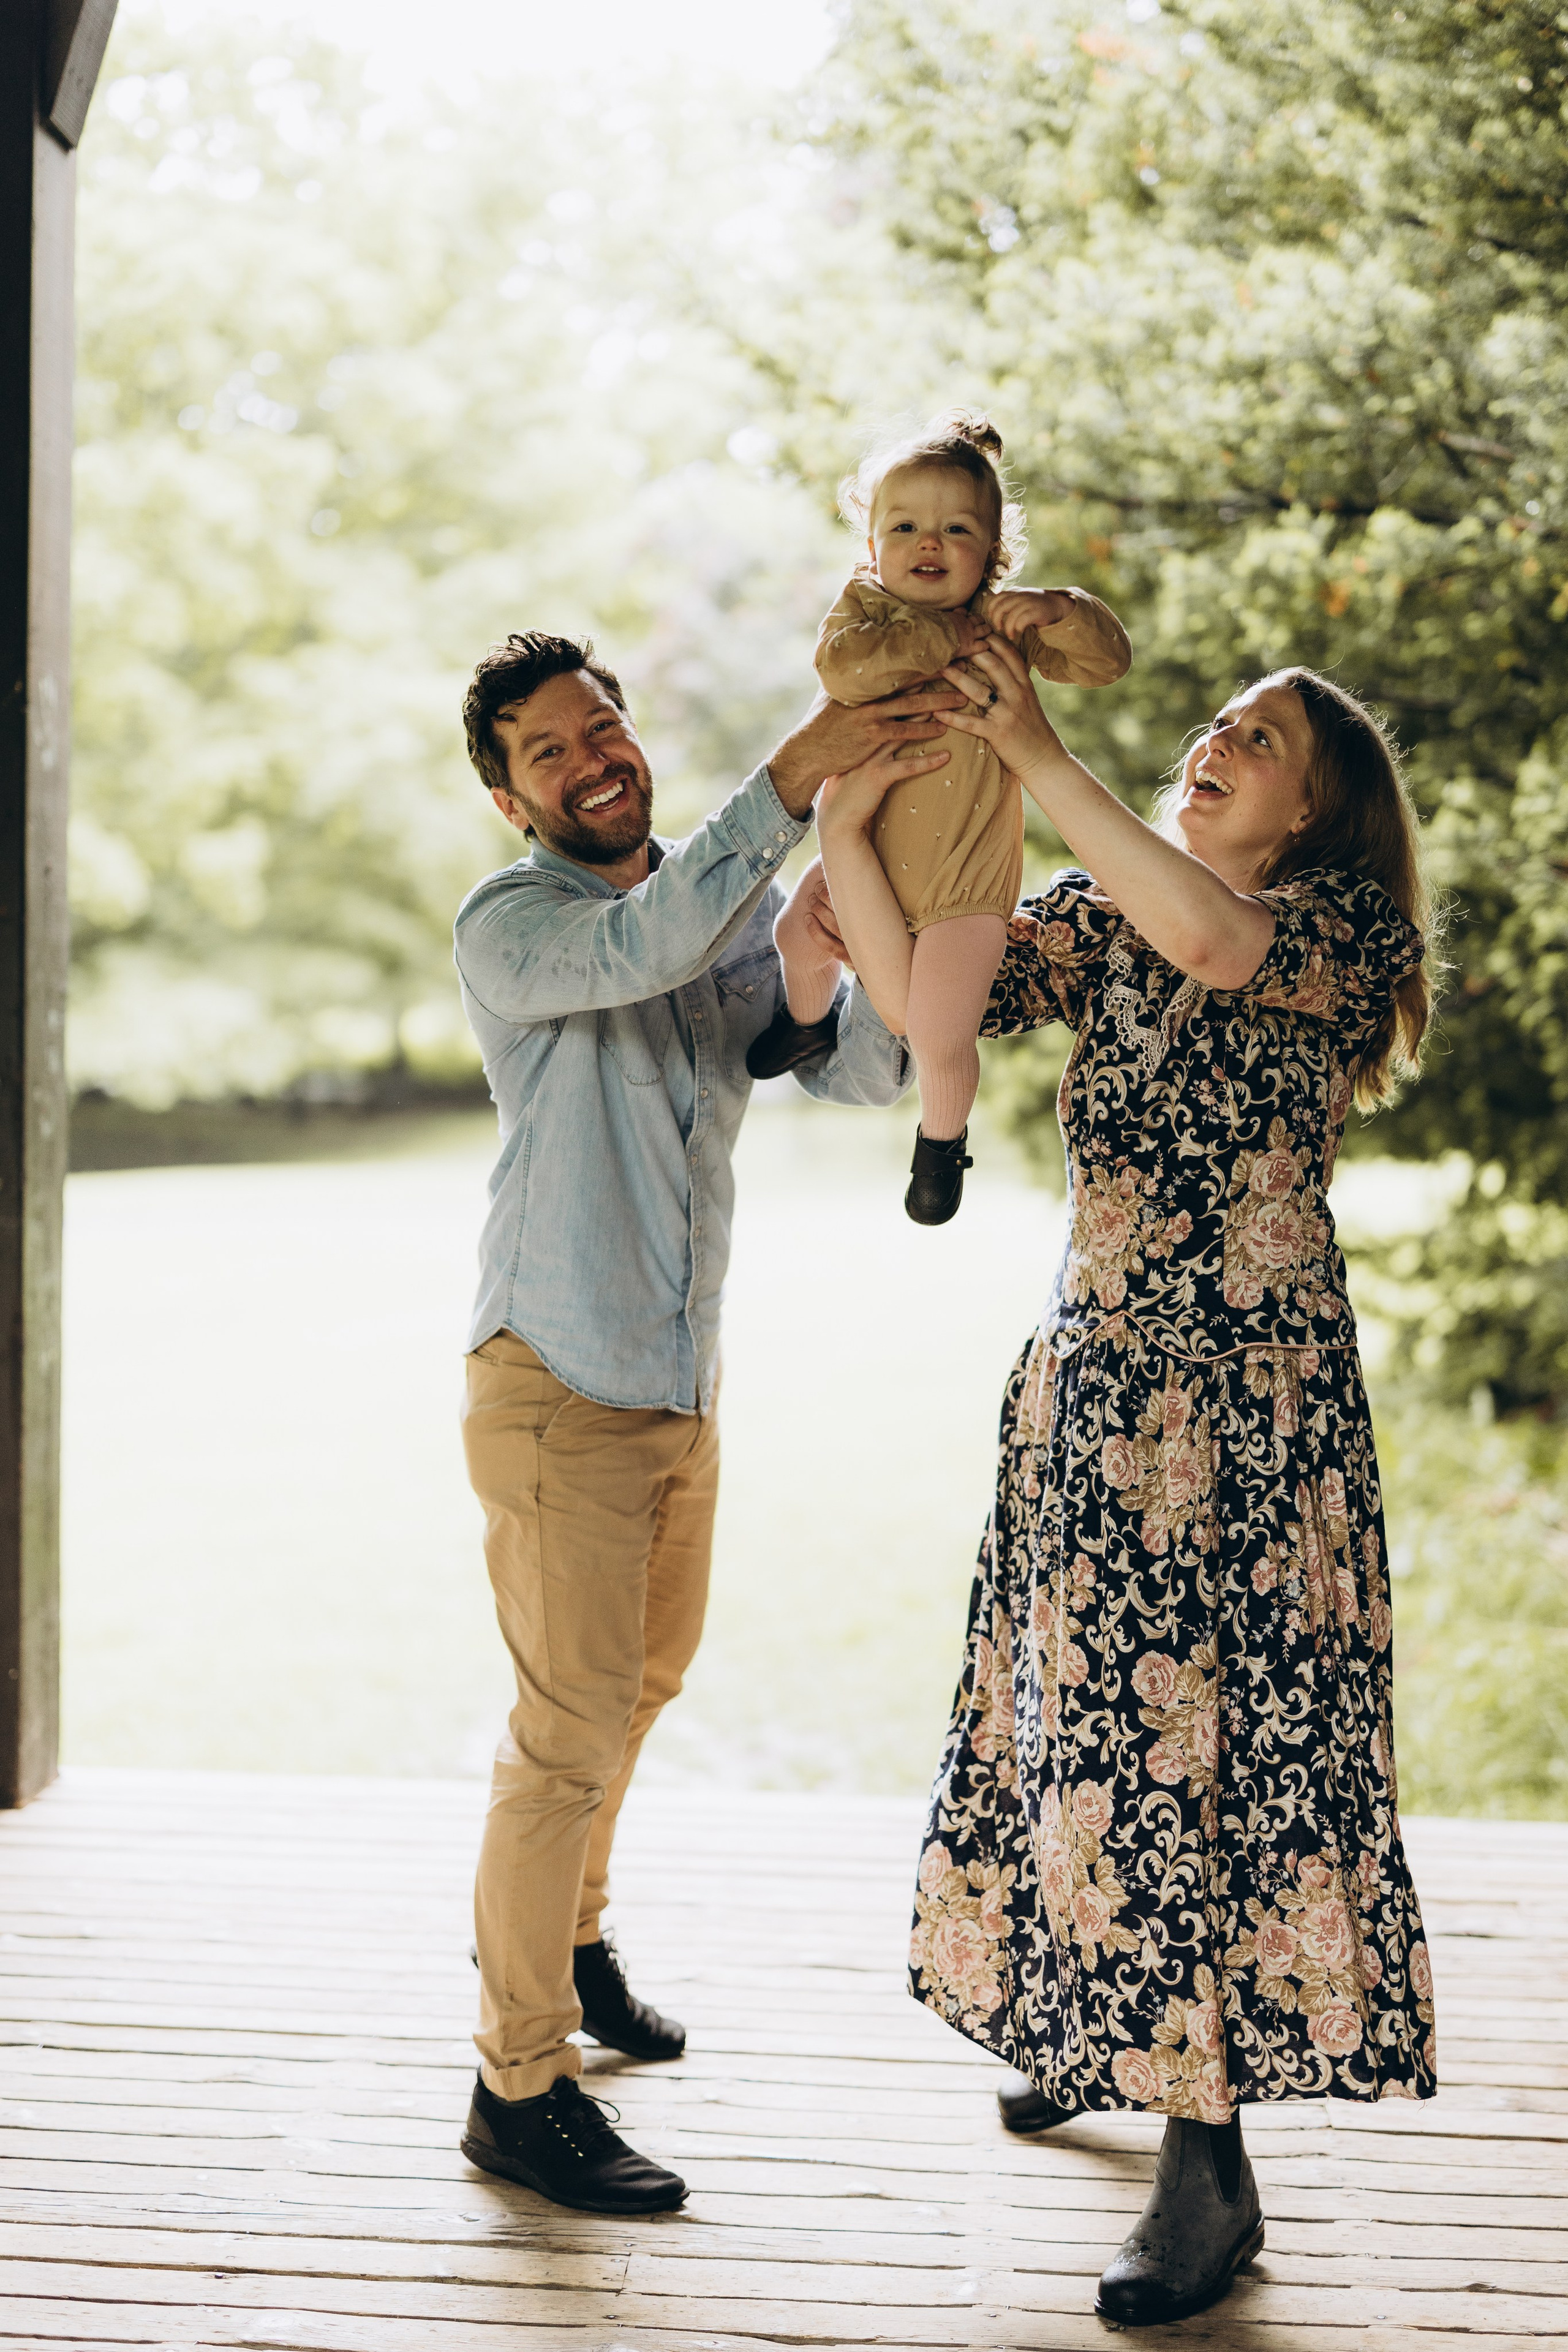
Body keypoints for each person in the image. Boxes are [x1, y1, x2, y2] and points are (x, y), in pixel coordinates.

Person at [818, 640, 1439, 2324]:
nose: (1216, 740)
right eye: (1216, 722)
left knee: (1208, 1767)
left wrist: (1036, 751)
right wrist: (851, 828)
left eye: (1262, 738)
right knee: (1087, 1741)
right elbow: (926, 1005)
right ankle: (1105, 2023)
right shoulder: (1106, 915)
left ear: (1314, 811)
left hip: (1247, 1424)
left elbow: (1217, 942)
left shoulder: (1335, 929)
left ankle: (1207, 2170)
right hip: (1092, 1393)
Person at [449, 629, 950, 2219]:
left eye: (601, 725)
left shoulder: (713, 900)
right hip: (558, 1387)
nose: (591, 759)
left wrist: (826, 940)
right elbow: (649, 948)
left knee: (637, 1692)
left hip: (677, 1383)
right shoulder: (515, 923)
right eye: (547, 750)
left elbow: (855, 1071)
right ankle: (514, 2089)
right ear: (509, 798)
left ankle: (575, 1945)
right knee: (563, 1735)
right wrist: (796, 777)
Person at [753, 411, 1130, 1225]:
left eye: (957, 529)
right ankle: (807, 1023)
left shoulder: (1004, 626)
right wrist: (939, 637)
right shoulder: (866, 612)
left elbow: (1106, 662)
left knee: (936, 1031)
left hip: (966, 885)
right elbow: (845, 673)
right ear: (872, 547)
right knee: (796, 931)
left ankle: (941, 1144)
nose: (929, 542)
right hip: (870, 854)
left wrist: (1060, 608)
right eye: (905, 527)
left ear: (992, 554)